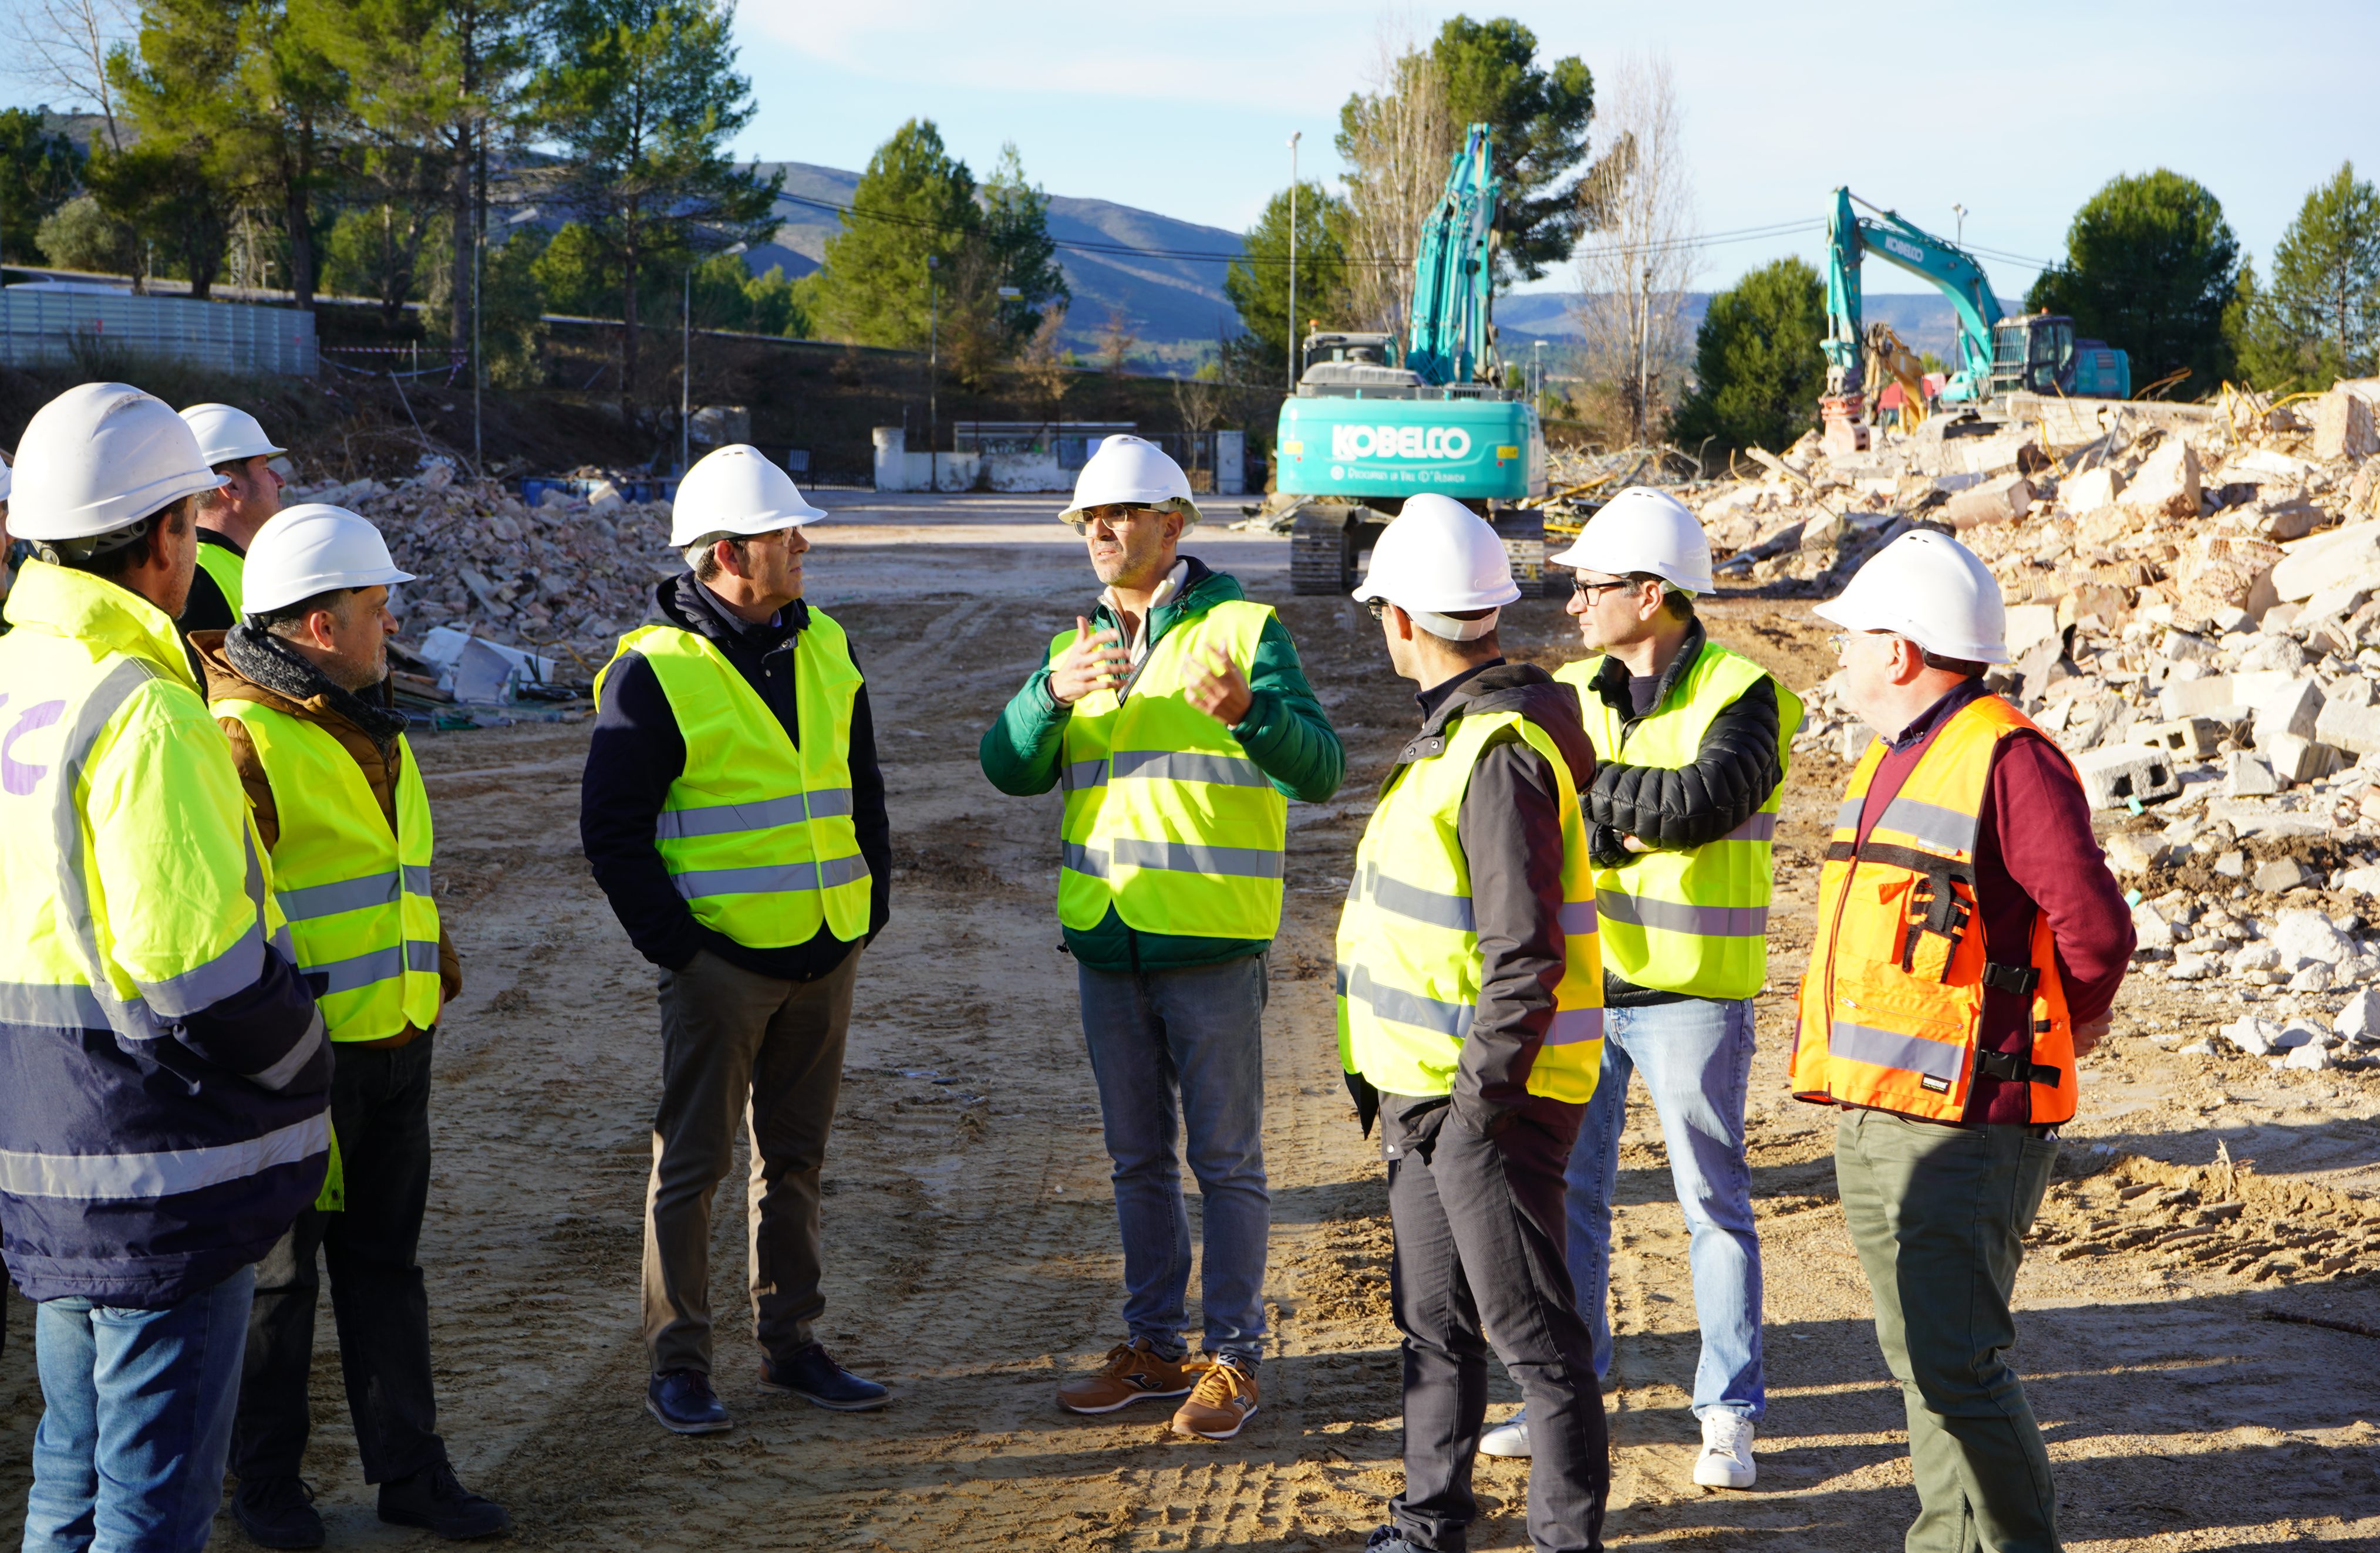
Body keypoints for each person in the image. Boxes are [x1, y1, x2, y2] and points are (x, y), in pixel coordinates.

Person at [0, 382, 328, 1553]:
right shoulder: (141, 708)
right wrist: (305, 1053)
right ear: (161, 539)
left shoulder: (17, 681)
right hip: (157, 1173)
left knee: (71, 1479)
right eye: (192, 526)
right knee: (153, 1507)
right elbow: (199, 969)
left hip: (45, 1149)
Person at [979, 435, 1341, 1440]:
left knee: (1225, 1163)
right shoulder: (1073, 647)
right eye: (1087, 520)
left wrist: (1251, 714)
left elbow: (1318, 769)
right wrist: (1047, 697)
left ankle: (1233, 1356)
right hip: (1106, 943)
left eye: (1118, 517)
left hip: (1210, 946)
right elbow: (1004, 769)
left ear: (1171, 526)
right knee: (1135, 1161)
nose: (1098, 533)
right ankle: (1151, 1347)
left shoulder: (1242, 627)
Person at [1792, 529, 2133, 1553]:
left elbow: (2094, 930)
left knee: (1958, 1362)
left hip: (1964, 1122)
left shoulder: (2004, 758)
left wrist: (2046, 1029)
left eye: (1851, 638)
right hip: (1880, 1107)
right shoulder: (1895, 756)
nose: (1838, 656)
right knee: (1919, 1361)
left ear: (1897, 650)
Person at [196, 505, 510, 1545]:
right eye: (377, 612)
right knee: (281, 1285)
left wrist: (435, 971)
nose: (393, 632)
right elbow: (232, 922)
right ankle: (266, 1490)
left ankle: (411, 1474)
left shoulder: (367, 720)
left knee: (386, 1269)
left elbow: (391, 875)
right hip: (299, 1066)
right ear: (319, 629)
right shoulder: (243, 742)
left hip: (396, 1041)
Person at [1480, 488, 1798, 1490]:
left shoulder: (1744, 695)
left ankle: (1726, 1414)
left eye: (1590, 586)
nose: (1572, 604)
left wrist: (1596, 798)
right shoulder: (1565, 689)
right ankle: (1562, 1396)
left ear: (1649, 593)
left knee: (1712, 1201)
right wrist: (1617, 812)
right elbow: (1538, 805)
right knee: (1570, 1199)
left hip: (1691, 996)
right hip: (1582, 986)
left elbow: (1696, 803)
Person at [581, 444, 891, 1435]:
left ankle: (791, 1343)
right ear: (725, 554)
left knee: (794, 1160)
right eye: (783, 533)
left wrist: (868, 902)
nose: (802, 544)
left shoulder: (827, 644)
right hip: (719, 966)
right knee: (693, 1166)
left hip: (824, 947)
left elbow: (862, 788)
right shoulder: (653, 672)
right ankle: (679, 1365)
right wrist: (679, 948)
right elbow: (611, 832)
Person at [1336, 495, 1608, 1553]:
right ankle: (1428, 1520)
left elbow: (1523, 953)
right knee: (1433, 1328)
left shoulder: (1494, 752)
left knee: (1533, 1338)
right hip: (1429, 1098)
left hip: (1483, 1102)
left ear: (1403, 620)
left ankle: (1562, 1542)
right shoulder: (1461, 737)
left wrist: (1475, 1107)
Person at [177, 401, 289, 634]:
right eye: (265, 468)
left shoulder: (244, 565)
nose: (280, 481)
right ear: (232, 485)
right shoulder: (194, 581)